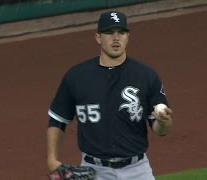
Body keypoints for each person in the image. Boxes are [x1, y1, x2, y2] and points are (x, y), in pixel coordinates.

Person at [46, 10, 173, 180]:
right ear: (98, 37)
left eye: (121, 32)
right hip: (94, 171)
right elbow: (57, 120)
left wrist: (164, 122)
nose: (116, 38)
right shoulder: (77, 76)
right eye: (109, 32)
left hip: (137, 171)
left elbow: (159, 130)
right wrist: (51, 159)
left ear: (127, 37)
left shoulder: (146, 76)